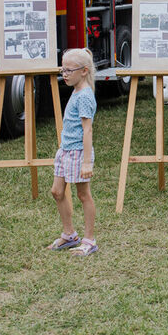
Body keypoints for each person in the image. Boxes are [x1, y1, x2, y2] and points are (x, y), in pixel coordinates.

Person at [47, 49, 98, 256]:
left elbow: (87, 129)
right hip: (65, 150)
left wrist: (87, 162)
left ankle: (89, 240)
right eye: (62, 69)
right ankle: (69, 235)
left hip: (78, 152)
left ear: (84, 71)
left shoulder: (85, 96)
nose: (64, 74)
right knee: (57, 191)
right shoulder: (76, 91)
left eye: (69, 70)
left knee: (83, 194)